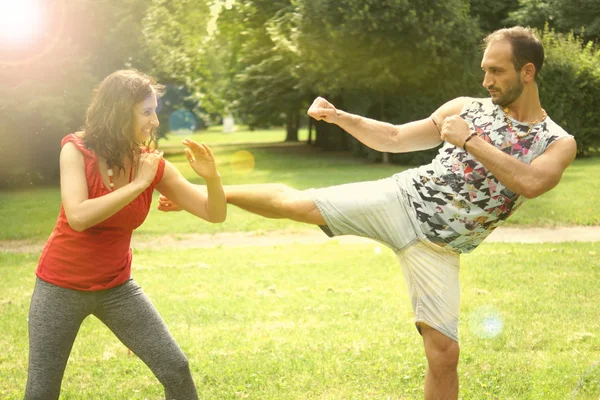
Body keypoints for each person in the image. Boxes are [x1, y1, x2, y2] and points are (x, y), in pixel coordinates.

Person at [158, 27, 577, 399]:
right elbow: (395, 138)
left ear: (527, 72)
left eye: (498, 72)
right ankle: (208, 193)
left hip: (441, 249)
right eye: (484, 70)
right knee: (299, 205)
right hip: (401, 200)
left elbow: (532, 183)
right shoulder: (465, 108)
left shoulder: (556, 141)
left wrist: (471, 142)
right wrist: (340, 117)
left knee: (445, 353)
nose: (486, 81)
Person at [25, 69, 226, 399]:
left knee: (176, 368)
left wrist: (212, 177)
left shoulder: (149, 163)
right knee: (42, 390)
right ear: (120, 110)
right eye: (147, 111)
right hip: (59, 287)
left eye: (155, 111)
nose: (155, 121)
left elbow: (213, 213)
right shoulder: (76, 150)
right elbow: (78, 216)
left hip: (117, 287)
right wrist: (138, 185)